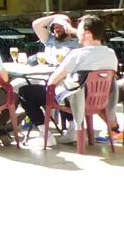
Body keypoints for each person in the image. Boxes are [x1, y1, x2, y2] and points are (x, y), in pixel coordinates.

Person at [44, 14, 119, 145]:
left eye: (78, 30)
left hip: (78, 100)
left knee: (32, 93)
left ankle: (46, 133)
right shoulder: (111, 54)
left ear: (87, 34)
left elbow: (53, 79)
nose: (75, 32)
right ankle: (73, 129)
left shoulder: (77, 55)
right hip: (101, 100)